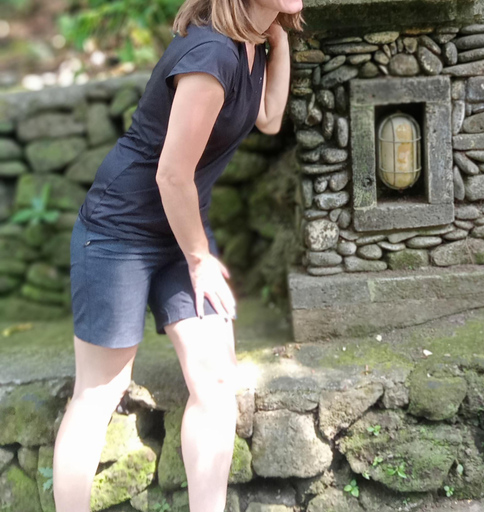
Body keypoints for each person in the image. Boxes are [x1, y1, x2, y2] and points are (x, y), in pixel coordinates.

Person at [52, 0, 303, 510]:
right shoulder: (211, 54)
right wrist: (199, 258)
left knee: (214, 380)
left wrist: (278, 40)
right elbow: (171, 174)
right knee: (101, 391)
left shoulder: (250, 45)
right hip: (120, 230)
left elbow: (271, 118)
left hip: (181, 228)